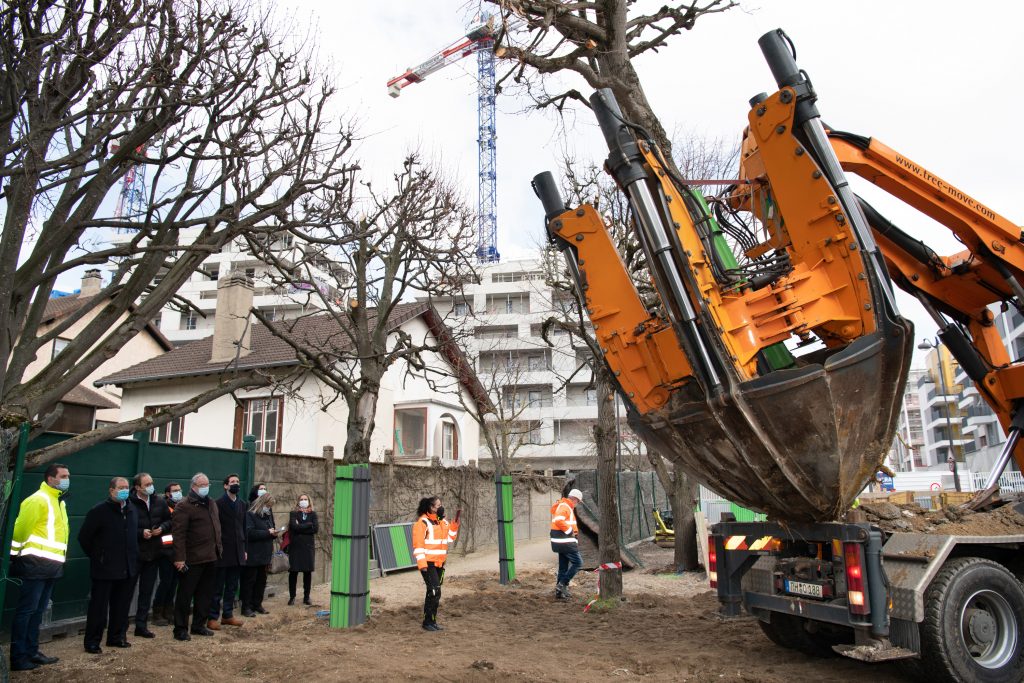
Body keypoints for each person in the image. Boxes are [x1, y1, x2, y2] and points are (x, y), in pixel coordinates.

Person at [8, 463, 70, 671]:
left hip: (52, 565)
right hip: (35, 564)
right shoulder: (37, 500)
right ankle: (18, 657)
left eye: (67, 476)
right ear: (50, 478)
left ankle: (32, 651)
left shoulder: (58, 501)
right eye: (63, 476)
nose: (67, 479)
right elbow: (20, 530)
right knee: (27, 611)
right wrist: (14, 554)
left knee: (38, 611)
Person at [78, 477, 139, 653]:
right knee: (99, 608)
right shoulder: (99, 511)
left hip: (127, 568)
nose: (125, 490)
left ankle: (116, 637)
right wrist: (99, 557)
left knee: (121, 606)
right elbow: (84, 538)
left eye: (127, 487)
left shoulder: (131, 509)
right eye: (121, 487)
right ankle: (92, 641)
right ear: (111, 490)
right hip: (105, 569)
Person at [172, 473, 222, 641]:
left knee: (205, 594)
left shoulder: (211, 503)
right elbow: (178, 535)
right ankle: (180, 629)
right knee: (185, 595)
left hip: (211, 557)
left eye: (207, 484)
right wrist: (179, 558)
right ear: (193, 486)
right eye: (202, 485)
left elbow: (216, 528)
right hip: (192, 559)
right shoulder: (184, 506)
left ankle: (199, 625)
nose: (205, 487)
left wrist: (218, 549)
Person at [128, 472, 172, 638]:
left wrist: (162, 528)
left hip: (153, 554)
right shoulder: (129, 503)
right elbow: (125, 526)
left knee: (146, 593)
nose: (150, 487)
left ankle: (141, 625)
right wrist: (141, 533)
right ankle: (120, 627)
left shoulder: (159, 501)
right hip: (135, 555)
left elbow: (169, 520)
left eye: (151, 483)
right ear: (137, 487)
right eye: (146, 484)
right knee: (128, 591)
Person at [412, 496, 459, 631]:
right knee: (434, 591)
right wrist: (423, 566)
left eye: (440, 505)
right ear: (431, 508)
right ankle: (427, 622)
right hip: (428, 563)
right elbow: (418, 546)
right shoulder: (422, 523)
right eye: (438, 506)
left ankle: (432, 621)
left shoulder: (442, 522)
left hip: (439, 563)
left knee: (434, 591)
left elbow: (450, 537)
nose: (441, 508)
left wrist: (454, 524)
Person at [208, 473, 246, 631]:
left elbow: (244, 528)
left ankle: (228, 615)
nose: (235, 484)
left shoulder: (242, 504)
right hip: (223, 552)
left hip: (238, 551)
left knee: (232, 586)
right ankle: (212, 617)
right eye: (232, 482)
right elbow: (215, 529)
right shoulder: (217, 503)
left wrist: (245, 550)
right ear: (225, 485)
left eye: (237, 481)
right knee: (218, 586)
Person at [240, 488, 277, 617]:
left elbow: (271, 530)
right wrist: (267, 532)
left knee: (262, 581)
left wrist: (274, 533)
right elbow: (249, 533)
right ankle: (246, 607)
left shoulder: (267, 516)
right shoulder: (250, 515)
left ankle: (258, 604)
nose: (269, 508)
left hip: (265, 554)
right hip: (253, 554)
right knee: (250, 582)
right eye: (267, 506)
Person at [150, 482, 182, 625]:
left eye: (179, 490)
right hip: (165, 551)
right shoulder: (163, 506)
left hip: (178, 551)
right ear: (168, 493)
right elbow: (163, 525)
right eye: (175, 490)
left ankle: (168, 611)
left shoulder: (180, 506)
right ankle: (157, 612)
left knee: (174, 583)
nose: (178, 492)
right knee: (166, 582)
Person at [550, 488, 583, 600]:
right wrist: (570, 532)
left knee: (563, 567)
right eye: (578, 501)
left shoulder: (565, 506)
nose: (577, 504)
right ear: (575, 499)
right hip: (565, 541)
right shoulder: (565, 506)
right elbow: (559, 520)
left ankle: (559, 593)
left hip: (561, 541)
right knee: (578, 563)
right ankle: (562, 584)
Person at [286, 493, 318, 606]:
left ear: (309, 501)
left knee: (307, 573)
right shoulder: (293, 513)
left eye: (305, 499)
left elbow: (315, 529)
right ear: (298, 501)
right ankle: (292, 597)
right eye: (301, 499)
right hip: (296, 547)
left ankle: (306, 597)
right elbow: (294, 527)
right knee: (293, 572)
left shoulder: (313, 514)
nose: (303, 501)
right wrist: (308, 525)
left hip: (308, 547)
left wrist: (302, 526)